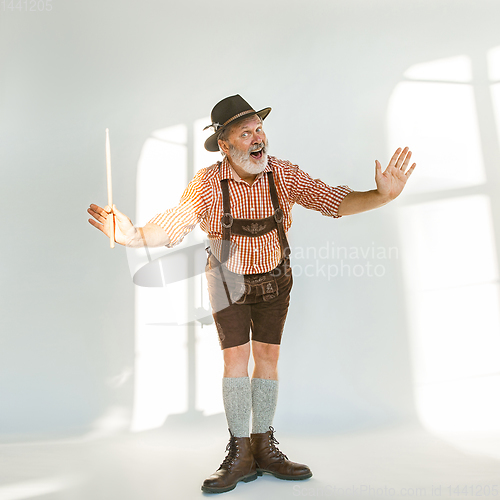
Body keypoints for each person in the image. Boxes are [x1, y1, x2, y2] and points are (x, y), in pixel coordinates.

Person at [87, 94, 416, 494]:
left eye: (259, 129)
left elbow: (332, 199)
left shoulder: (283, 174)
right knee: (236, 360)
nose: (258, 138)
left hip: (276, 276)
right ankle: (240, 452)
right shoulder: (208, 183)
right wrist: (134, 235)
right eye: (246, 133)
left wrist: (381, 196)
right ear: (224, 145)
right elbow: (173, 223)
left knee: (268, 358)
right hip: (228, 278)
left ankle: (264, 445)